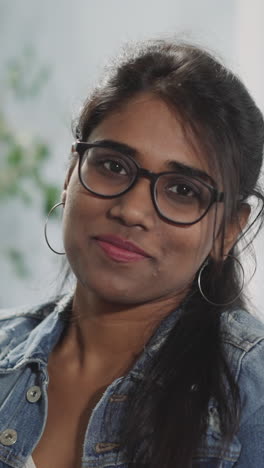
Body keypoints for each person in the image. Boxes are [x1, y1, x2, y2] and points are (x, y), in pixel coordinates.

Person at [0, 39, 264, 468]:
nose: (131, 210)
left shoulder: (252, 390)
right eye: (113, 166)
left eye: (182, 190)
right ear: (70, 175)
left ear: (228, 230)